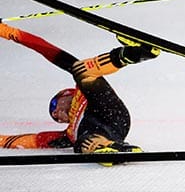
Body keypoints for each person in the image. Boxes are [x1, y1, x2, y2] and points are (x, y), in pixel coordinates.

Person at [0, 22, 159, 162]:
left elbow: (47, 50)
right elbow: (29, 140)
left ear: (66, 93)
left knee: (81, 70)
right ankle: (109, 147)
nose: (56, 114)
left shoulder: (79, 93)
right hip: (113, 128)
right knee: (80, 142)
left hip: (109, 111)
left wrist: (7, 32)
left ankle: (138, 53)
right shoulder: (68, 133)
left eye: (54, 106)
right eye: (55, 118)